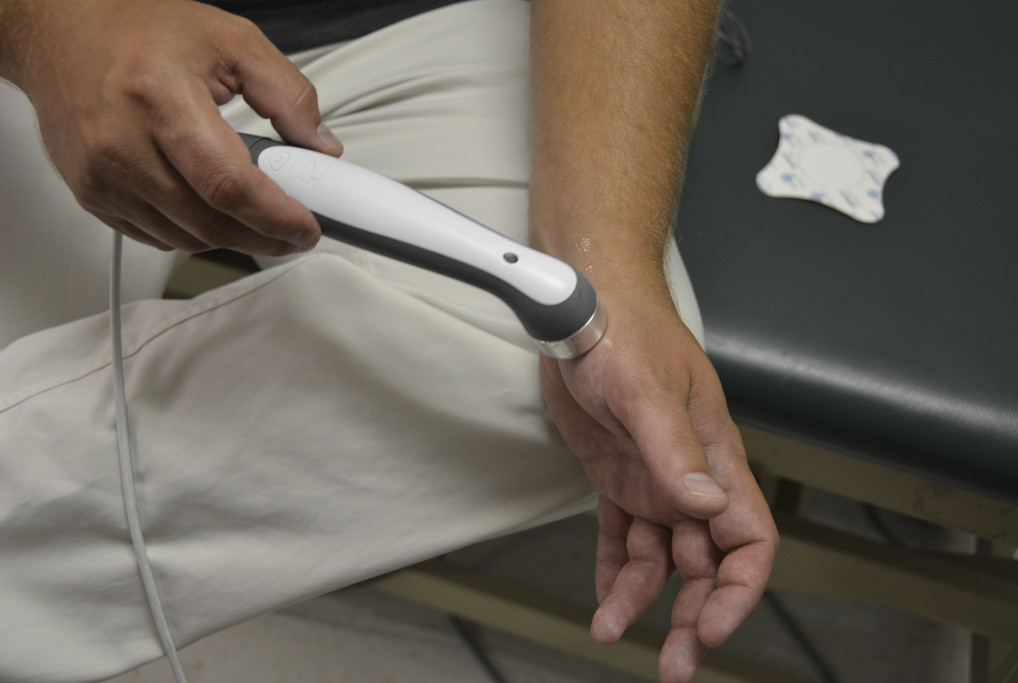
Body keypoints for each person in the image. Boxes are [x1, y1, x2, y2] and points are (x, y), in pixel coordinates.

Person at [0, 1, 777, 681]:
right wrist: (45, 29)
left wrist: (608, 262)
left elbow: (593, 306)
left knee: (585, 390)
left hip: (425, 22)